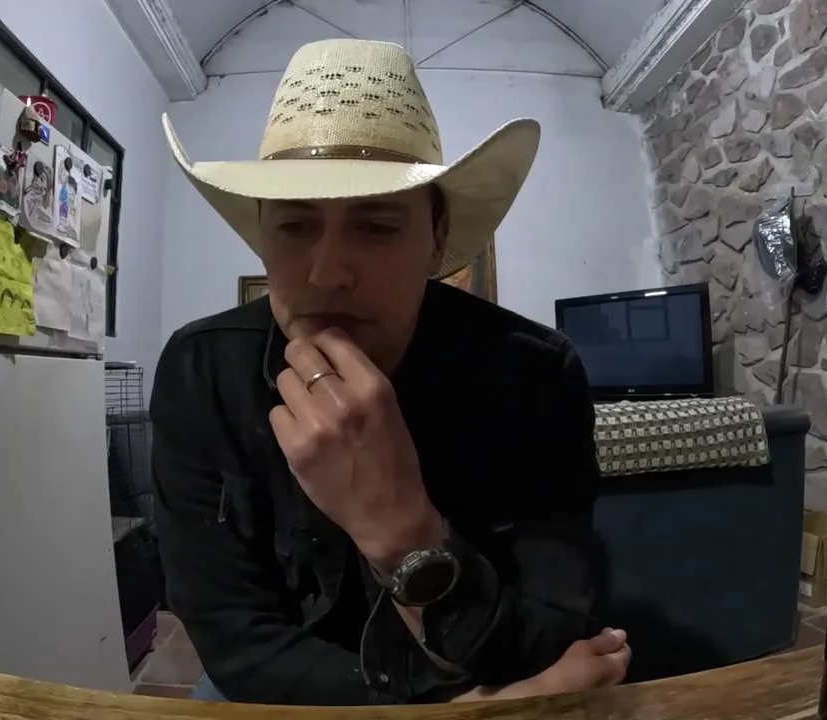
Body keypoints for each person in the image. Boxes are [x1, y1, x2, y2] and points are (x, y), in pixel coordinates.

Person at [152, 38, 629, 705]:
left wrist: (403, 532)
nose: (327, 274)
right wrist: (464, 710)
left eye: (375, 227)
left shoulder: (535, 375)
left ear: (437, 239)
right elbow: (235, 643)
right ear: (261, 235)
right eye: (294, 227)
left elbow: (548, 627)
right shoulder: (201, 371)